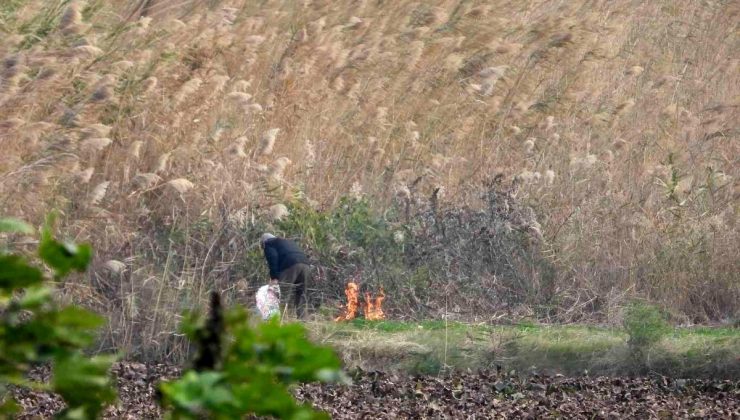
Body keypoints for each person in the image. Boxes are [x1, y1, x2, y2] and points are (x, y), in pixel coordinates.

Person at [259, 233, 311, 318]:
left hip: (291, 265)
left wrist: (274, 277)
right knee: (301, 294)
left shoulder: (269, 243)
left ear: (263, 242)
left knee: (282, 295)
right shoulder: (286, 242)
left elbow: (273, 258)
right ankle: (303, 321)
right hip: (306, 265)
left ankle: (279, 321)